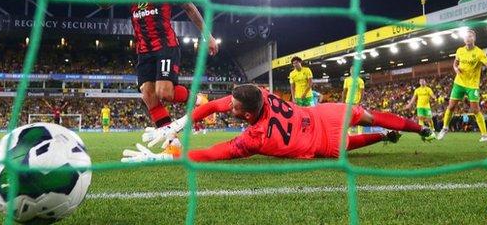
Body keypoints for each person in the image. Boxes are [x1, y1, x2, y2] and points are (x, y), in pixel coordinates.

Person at [75, 0, 218, 131]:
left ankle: (198, 99)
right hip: (144, 49)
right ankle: (170, 138)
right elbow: (104, 3)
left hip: (166, 45)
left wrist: (207, 36)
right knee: (148, 94)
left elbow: (190, 8)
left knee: (164, 92)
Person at [122, 84, 434, 163]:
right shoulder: (261, 93)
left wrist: (167, 155)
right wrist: (176, 125)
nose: (227, 106)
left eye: (233, 106)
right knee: (370, 114)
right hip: (326, 114)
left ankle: (381, 137)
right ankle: (419, 129)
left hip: (321, 143)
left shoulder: (255, 138)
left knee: (346, 145)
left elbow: (213, 152)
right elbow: (215, 105)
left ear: (245, 115)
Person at [437, 29, 487, 142]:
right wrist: (455, 68)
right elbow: (455, 63)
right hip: (459, 83)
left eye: (470, 36)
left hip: (472, 85)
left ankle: (484, 136)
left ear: (474, 38)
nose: (468, 38)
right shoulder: (459, 50)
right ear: (464, 39)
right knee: (451, 107)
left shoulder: (479, 52)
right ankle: (445, 128)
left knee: (475, 110)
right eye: (466, 37)